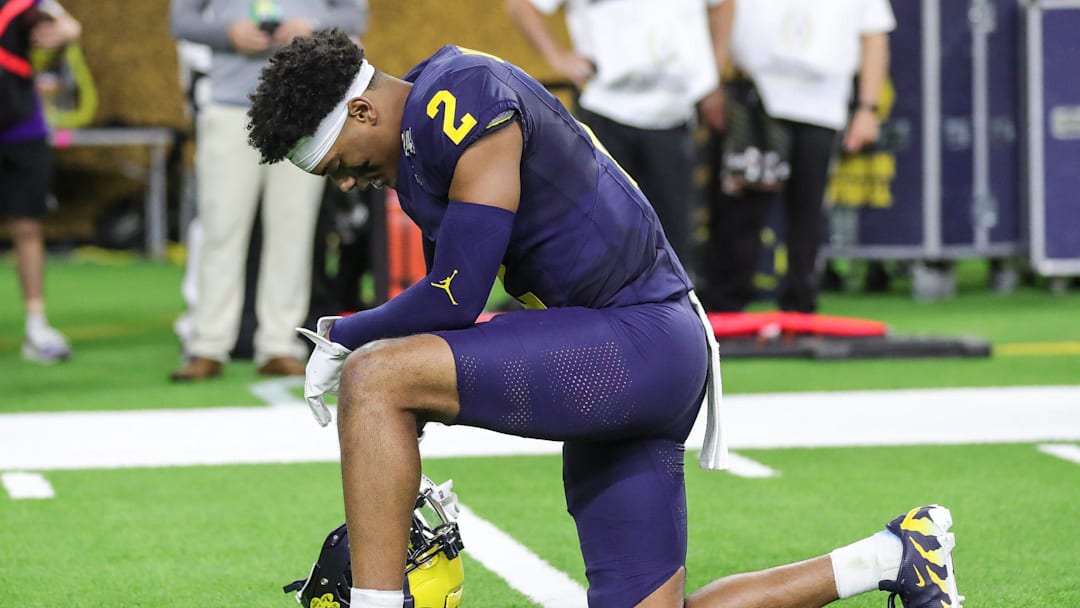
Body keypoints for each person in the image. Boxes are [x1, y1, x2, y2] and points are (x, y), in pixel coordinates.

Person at [246, 31, 962, 608]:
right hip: (618, 348)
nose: (348, 181)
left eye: (339, 164)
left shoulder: (458, 96)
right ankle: (893, 556)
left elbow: (455, 298)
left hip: (636, 340)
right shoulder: (419, 149)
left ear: (363, 113)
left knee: (375, 378)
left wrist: (344, 335)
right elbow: (450, 314)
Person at [167, 0, 366, 381]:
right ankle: (207, 345)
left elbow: (355, 15)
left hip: (303, 109)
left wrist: (311, 26)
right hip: (229, 106)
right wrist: (228, 33)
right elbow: (182, 20)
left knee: (294, 229)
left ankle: (279, 345)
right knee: (220, 229)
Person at [505, 0, 732, 281]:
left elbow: (723, 5)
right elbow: (520, 5)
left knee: (674, 242)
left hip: (674, 115)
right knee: (599, 238)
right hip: (604, 111)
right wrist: (557, 57)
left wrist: (711, 73)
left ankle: (671, 306)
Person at [705, 0, 895, 314]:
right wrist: (714, 83)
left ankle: (800, 308)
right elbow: (721, 9)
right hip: (755, 92)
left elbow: (874, 35)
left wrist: (868, 108)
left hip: (822, 104)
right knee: (740, 210)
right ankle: (724, 310)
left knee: (808, 214)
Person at [0, 0, 80, 364]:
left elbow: (57, 19)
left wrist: (66, 27)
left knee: (27, 225)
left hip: (20, 122)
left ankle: (36, 326)